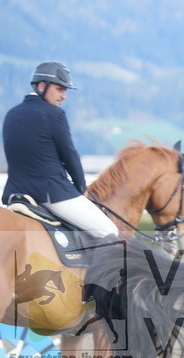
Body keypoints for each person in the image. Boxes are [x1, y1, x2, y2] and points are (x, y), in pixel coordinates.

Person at [2, 61, 119, 241]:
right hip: (51, 193)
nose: (64, 96)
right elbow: (69, 154)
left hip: (16, 193)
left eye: (65, 90)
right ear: (42, 86)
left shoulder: (11, 114)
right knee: (110, 233)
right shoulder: (54, 114)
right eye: (59, 89)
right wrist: (81, 188)